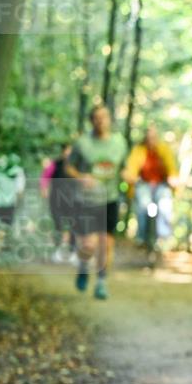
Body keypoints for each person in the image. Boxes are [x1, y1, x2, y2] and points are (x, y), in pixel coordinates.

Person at [65, 106, 128, 300]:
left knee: (106, 244)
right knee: (89, 245)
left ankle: (101, 281)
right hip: (86, 200)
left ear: (109, 119)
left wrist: (128, 176)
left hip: (110, 198)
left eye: (104, 117)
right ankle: (84, 267)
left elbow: (124, 168)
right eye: (96, 118)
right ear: (91, 121)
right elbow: (68, 168)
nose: (101, 121)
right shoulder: (82, 143)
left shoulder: (119, 143)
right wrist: (80, 177)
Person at [122, 126, 179, 249]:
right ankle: (141, 237)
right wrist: (130, 176)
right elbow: (131, 167)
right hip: (143, 183)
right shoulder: (138, 150)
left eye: (153, 137)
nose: (151, 140)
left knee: (164, 204)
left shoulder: (164, 149)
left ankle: (163, 237)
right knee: (143, 204)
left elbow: (171, 168)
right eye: (148, 138)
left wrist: (173, 178)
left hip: (161, 184)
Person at [40, 142, 77, 263]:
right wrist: (44, 189)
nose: (69, 153)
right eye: (67, 150)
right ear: (63, 151)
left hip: (73, 200)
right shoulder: (55, 164)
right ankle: (58, 252)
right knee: (58, 225)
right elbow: (45, 177)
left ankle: (73, 252)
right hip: (56, 199)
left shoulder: (76, 165)